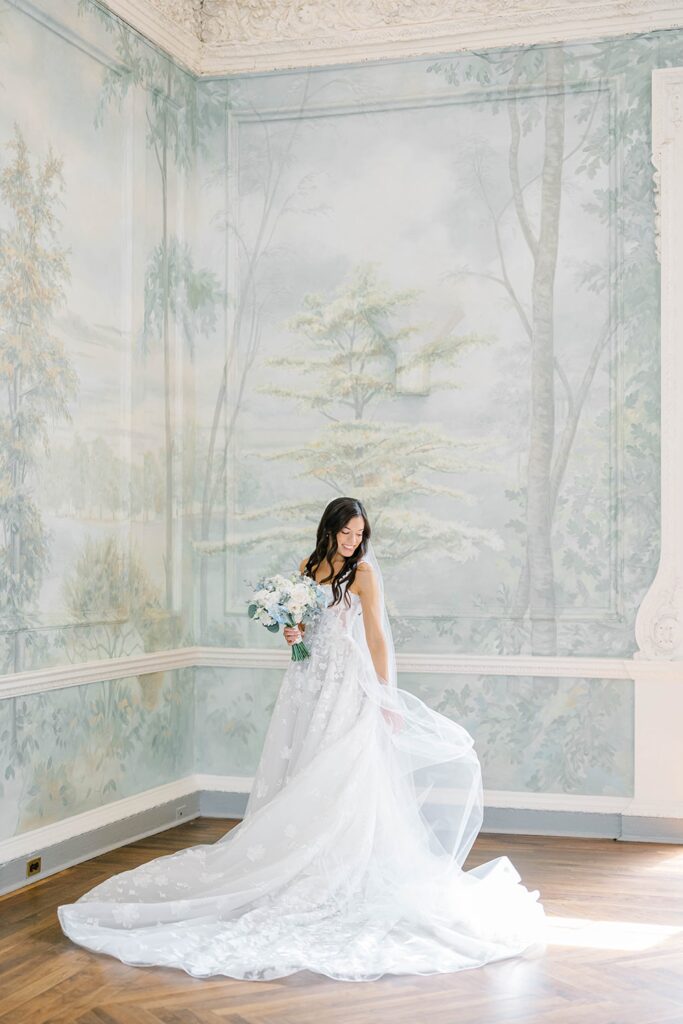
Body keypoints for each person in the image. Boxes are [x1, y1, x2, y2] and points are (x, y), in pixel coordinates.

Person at [58, 496, 546, 981]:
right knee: (305, 768)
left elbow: (376, 637)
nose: (353, 541)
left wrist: (385, 695)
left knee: (342, 772)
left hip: (345, 684)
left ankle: (336, 866)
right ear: (329, 530)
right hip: (306, 682)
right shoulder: (307, 567)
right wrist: (291, 633)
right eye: (346, 533)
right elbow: (303, 627)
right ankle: (295, 860)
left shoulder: (363, 575)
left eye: (360, 534)